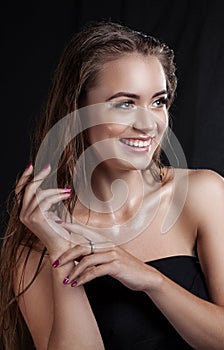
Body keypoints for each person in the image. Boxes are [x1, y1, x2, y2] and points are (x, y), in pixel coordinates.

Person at [0, 20, 224, 350]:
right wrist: (60, 247)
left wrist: (151, 281)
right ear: (78, 111)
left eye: (158, 101)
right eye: (124, 103)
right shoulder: (35, 242)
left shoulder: (203, 195)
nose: (147, 123)